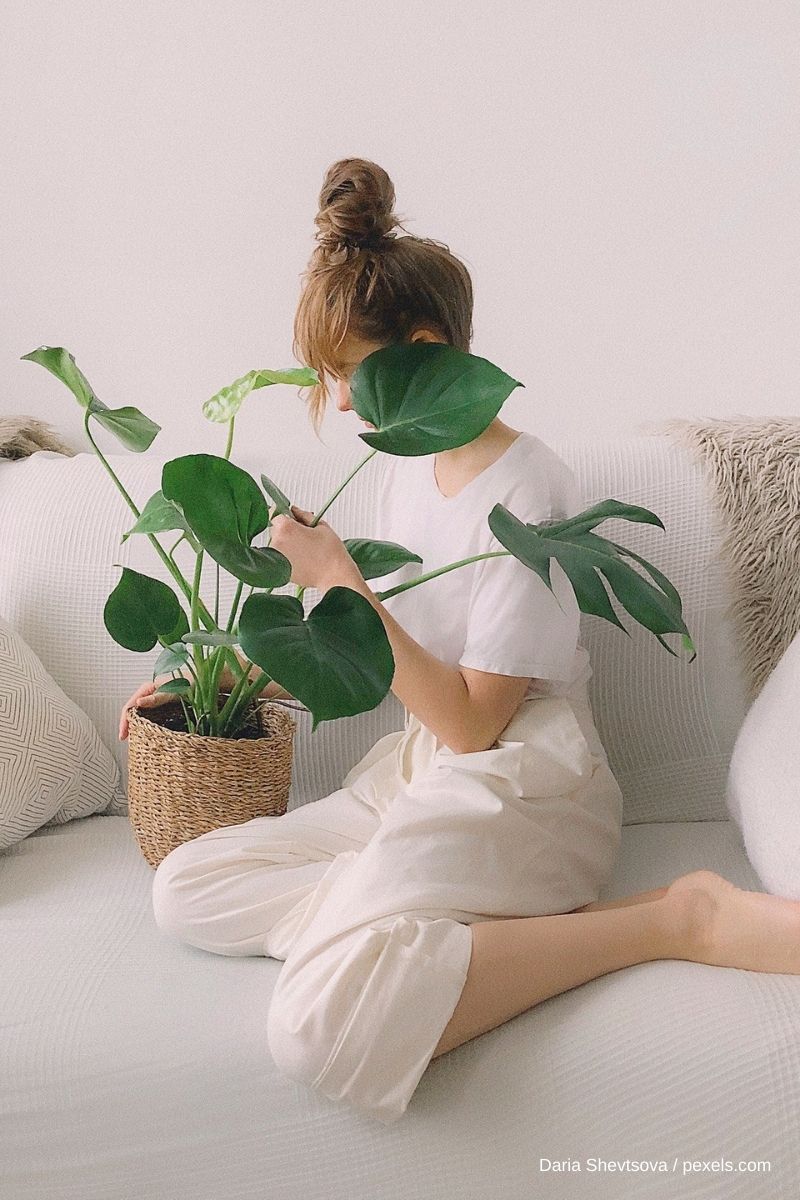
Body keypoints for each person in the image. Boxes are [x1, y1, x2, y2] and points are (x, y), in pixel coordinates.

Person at [120, 158, 800, 1125]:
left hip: (525, 787)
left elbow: (478, 724)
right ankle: (405, 917)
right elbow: (357, 656)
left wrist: (345, 583)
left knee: (315, 1028)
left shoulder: (530, 487)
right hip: (416, 778)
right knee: (186, 888)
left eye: (351, 373)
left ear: (428, 347)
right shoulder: (403, 471)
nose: (344, 404)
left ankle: (668, 921)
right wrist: (203, 691)